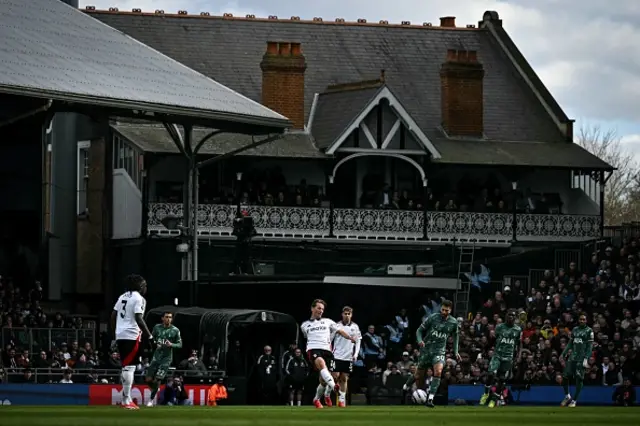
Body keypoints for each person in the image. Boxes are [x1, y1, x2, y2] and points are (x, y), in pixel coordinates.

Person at [300, 299, 357, 409]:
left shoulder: (328, 321)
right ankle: (334, 387)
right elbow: (307, 337)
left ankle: (318, 398)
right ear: (312, 308)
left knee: (328, 378)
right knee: (321, 364)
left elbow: (339, 331)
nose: (321, 310)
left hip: (327, 350)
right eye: (318, 308)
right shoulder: (304, 325)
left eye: (322, 309)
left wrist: (349, 338)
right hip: (313, 349)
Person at [110, 274, 153, 410]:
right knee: (130, 367)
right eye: (144, 285)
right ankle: (125, 400)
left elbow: (113, 316)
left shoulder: (122, 296)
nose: (146, 287)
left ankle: (127, 398)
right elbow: (139, 318)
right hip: (131, 335)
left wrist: (115, 333)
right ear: (140, 286)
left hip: (120, 334)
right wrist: (150, 336)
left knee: (127, 366)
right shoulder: (139, 298)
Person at [413, 299, 459, 408]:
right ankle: (415, 393)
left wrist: (456, 351)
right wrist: (420, 341)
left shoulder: (453, 322)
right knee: (418, 375)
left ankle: (430, 399)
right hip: (427, 349)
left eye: (446, 310)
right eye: (442, 310)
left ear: (450, 310)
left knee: (438, 372)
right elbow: (419, 330)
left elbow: (456, 337)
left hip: (439, 351)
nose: (444, 312)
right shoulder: (433, 317)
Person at [479, 310, 522, 407]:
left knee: (502, 379)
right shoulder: (499, 327)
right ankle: (486, 394)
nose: (511, 317)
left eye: (513, 316)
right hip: (497, 355)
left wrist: (518, 355)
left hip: (508, 357)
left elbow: (519, 344)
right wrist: (486, 349)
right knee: (491, 373)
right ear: (506, 316)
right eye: (509, 315)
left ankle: (494, 400)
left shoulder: (518, 329)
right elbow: (494, 339)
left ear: (515, 318)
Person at [145, 311, 182, 407]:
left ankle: (151, 399)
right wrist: (154, 344)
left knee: (158, 379)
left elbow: (180, 344)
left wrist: (172, 344)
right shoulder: (157, 328)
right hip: (156, 357)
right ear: (162, 318)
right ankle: (155, 388)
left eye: (170, 317)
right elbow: (151, 340)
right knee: (148, 379)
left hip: (166, 358)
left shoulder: (175, 330)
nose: (168, 319)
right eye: (166, 317)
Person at [560, 313, 594, 407]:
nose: (582, 321)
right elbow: (570, 343)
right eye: (580, 319)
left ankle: (574, 400)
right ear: (578, 320)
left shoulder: (589, 331)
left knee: (579, 379)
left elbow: (590, 346)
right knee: (565, 377)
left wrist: (586, 359)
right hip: (572, 357)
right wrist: (563, 354)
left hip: (581, 358)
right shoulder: (575, 329)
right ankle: (567, 396)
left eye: (584, 319)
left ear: (586, 321)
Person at [331, 306, 362, 407]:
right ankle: (328, 395)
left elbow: (358, 341)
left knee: (344, 378)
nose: (347, 315)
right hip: (336, 355)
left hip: (347, 356)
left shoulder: (355, 327)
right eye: (345, 313)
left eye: (349, 314)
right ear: (342, 314)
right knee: (335, 377)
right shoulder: (336, 326)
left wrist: (356, 354)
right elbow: (330, 339)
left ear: (351, 315)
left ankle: (342, 400)